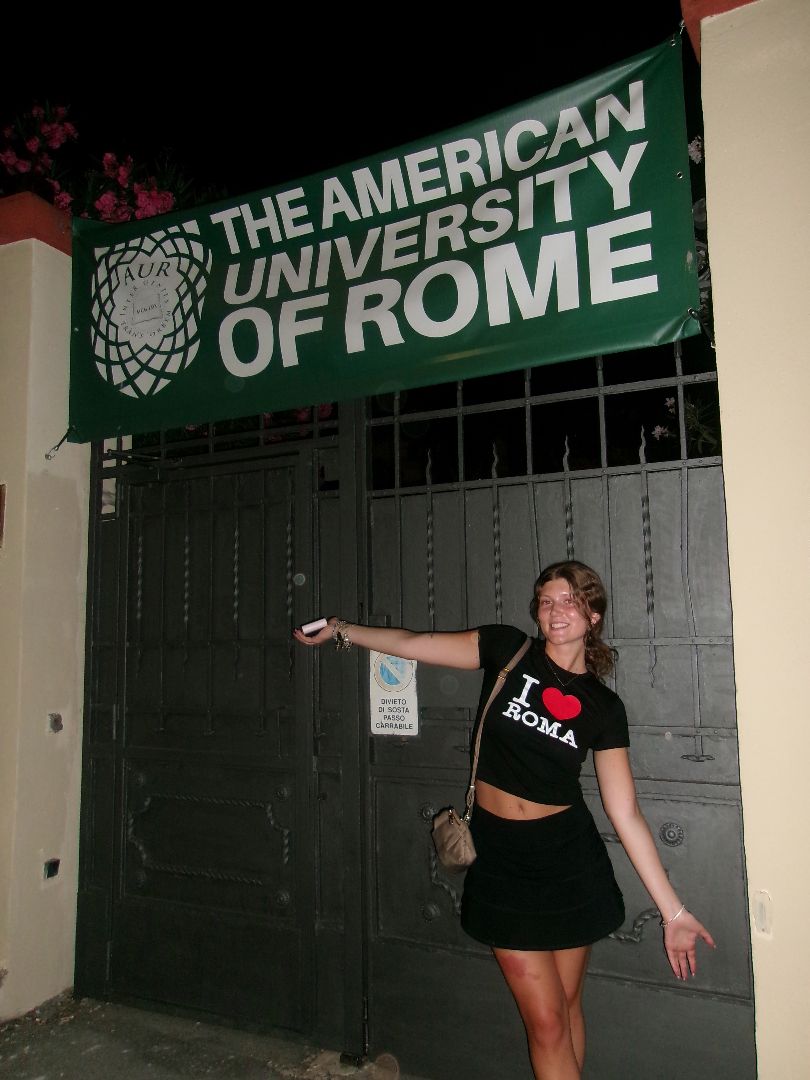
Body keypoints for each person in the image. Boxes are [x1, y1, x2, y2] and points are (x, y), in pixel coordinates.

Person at [293, 560, 715, 1080]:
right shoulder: (507, 651)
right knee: (545, 1022)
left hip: (568, 860)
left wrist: (673, 914)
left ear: (594, 613)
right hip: (502, 860)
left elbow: (623, 810)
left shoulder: (603, 707)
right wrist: (342, 630)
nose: (556, 612)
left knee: (564, 1007)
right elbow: (416, 642)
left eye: (570, 601)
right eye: (546, 601)